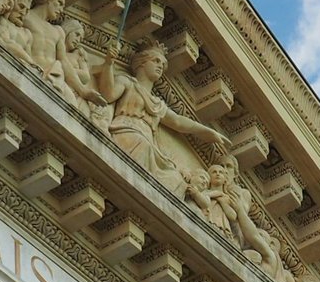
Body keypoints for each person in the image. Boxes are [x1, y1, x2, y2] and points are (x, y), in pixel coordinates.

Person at [95, 39, 226, 198]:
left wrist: (206, 131)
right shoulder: (127, 82)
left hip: (148, 144)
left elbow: (178, 122)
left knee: (175, 178)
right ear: (142, 63)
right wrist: (109, 63)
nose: (160, 66)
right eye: (156, 61)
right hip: (127, 132)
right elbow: (108, 95)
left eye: (162, 64)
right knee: (143, 147)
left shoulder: (157, 103)